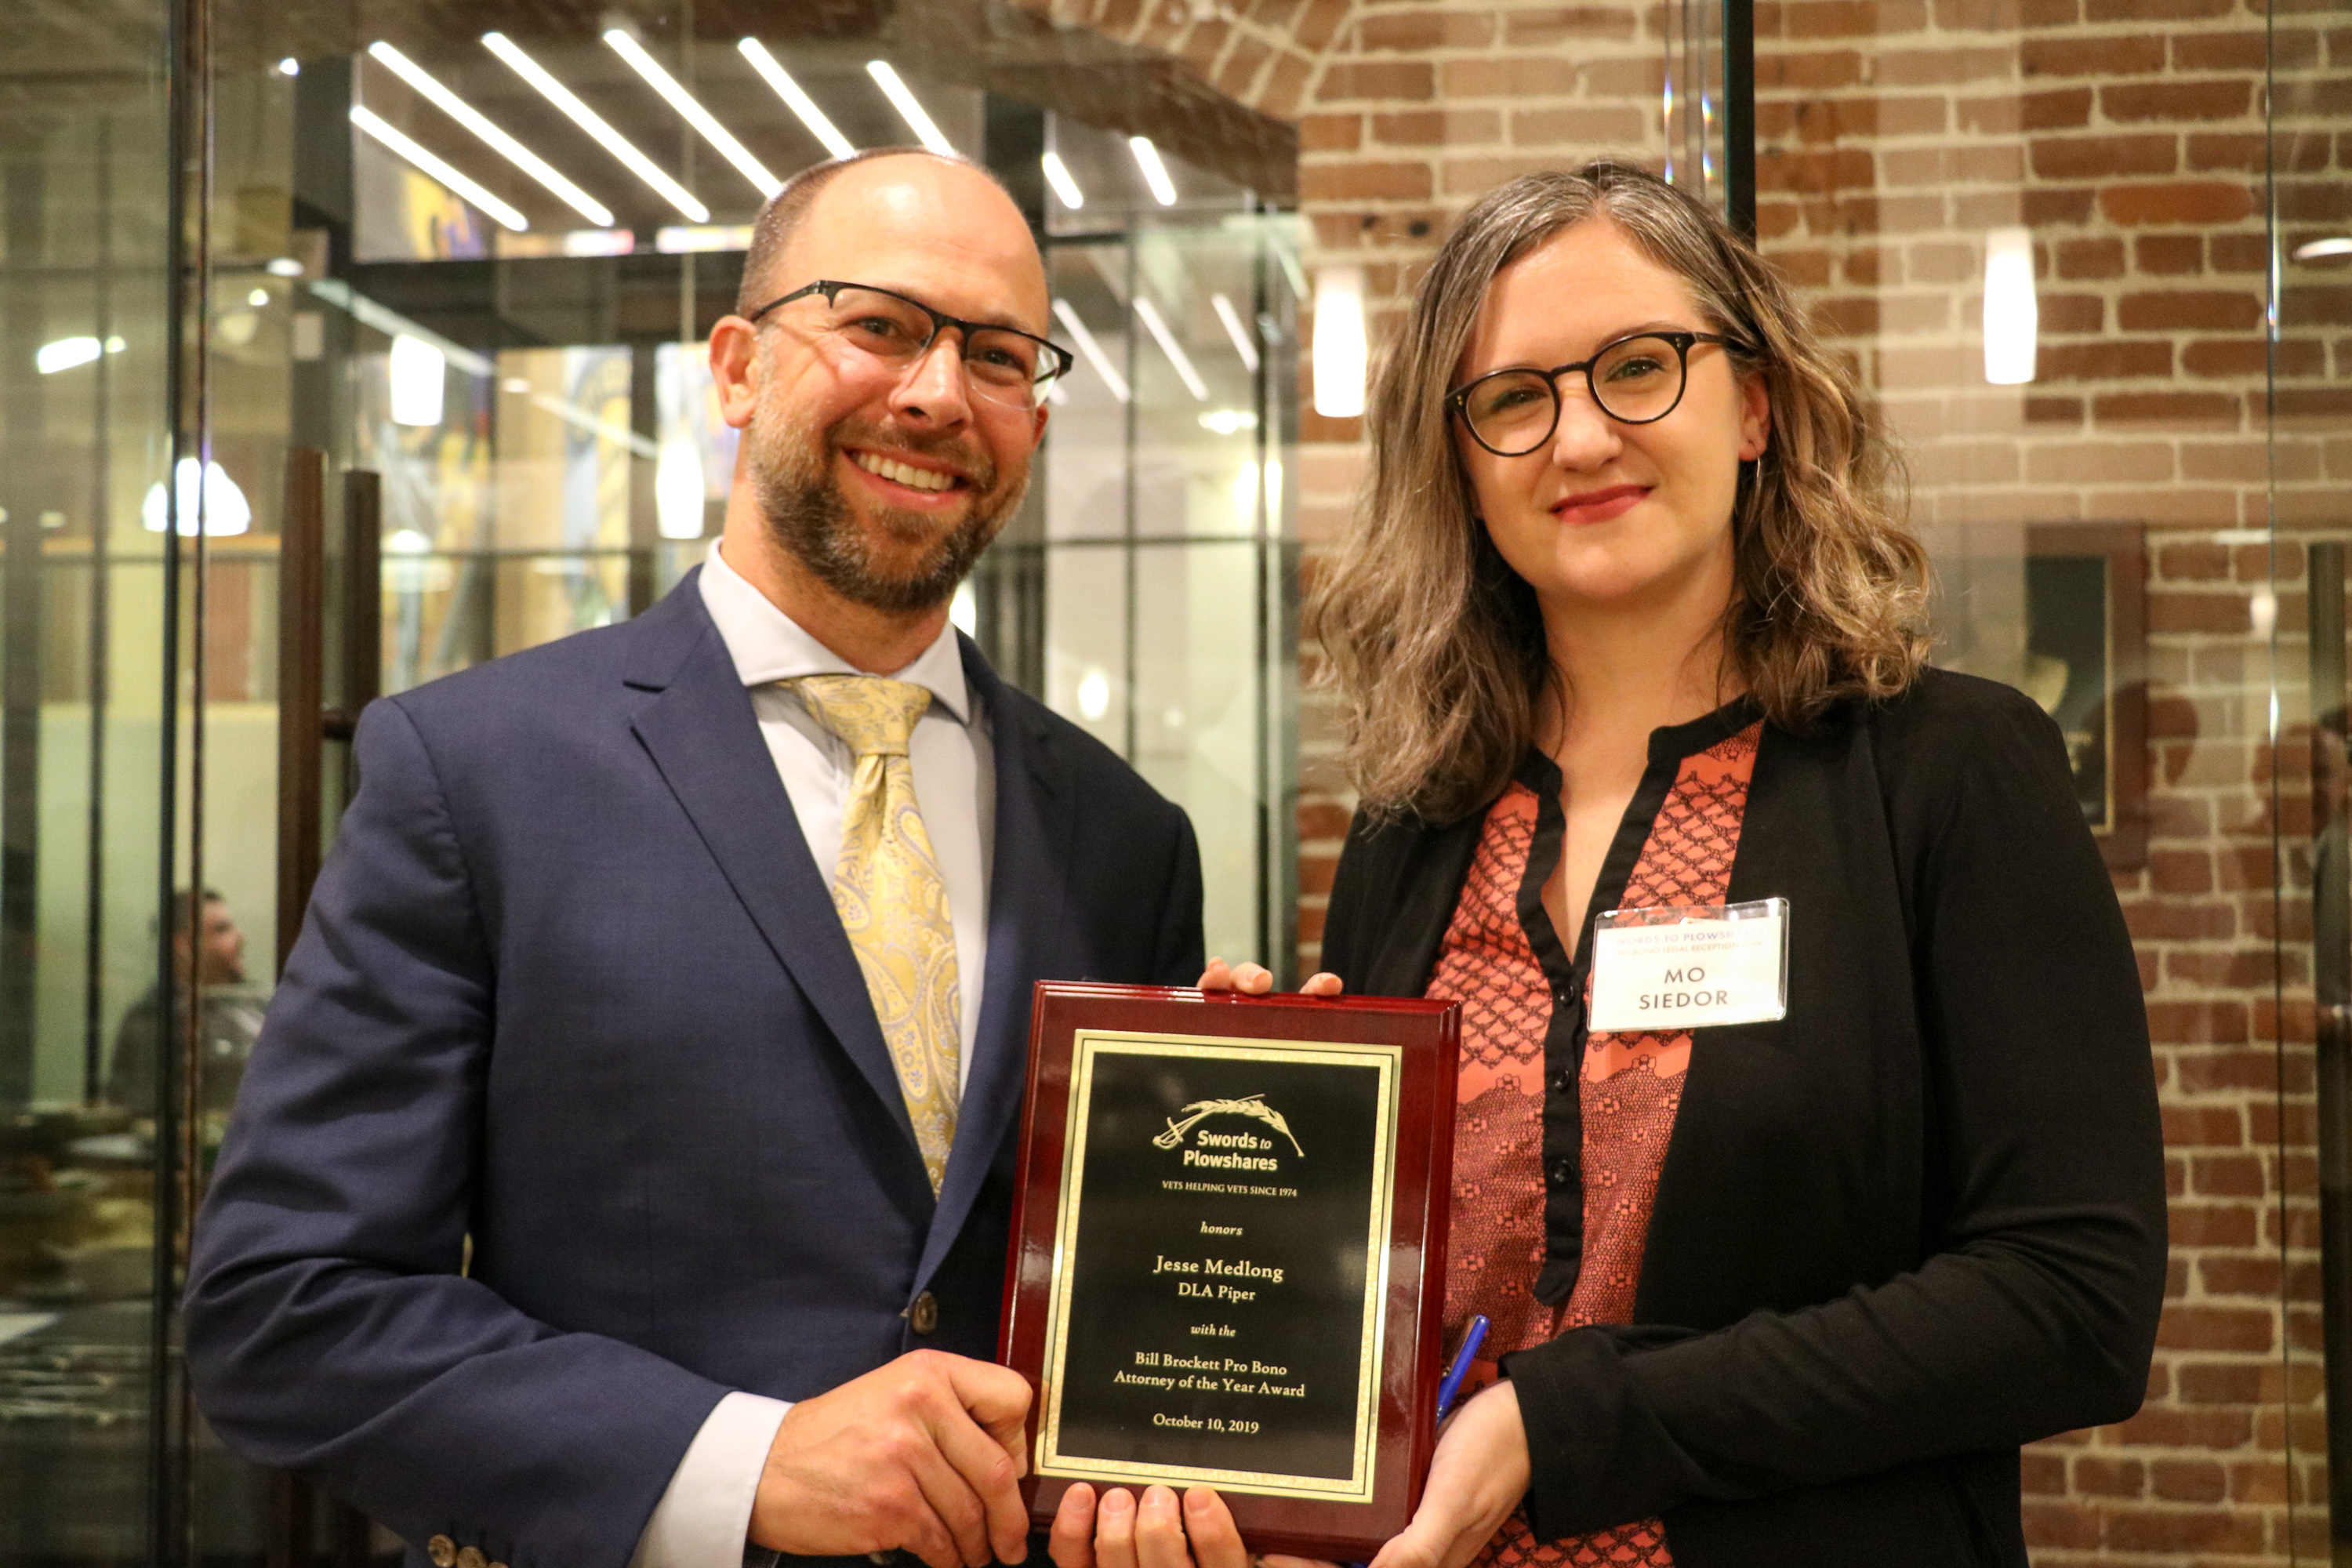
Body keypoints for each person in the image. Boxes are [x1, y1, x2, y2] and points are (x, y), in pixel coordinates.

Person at [1051, 162, 2165, 1568]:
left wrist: (1563, 1428)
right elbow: (1392, 1322)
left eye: (1639, 367)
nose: (1579, 439)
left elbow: (2072, 1303)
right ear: (1458, 464)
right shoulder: (1415, 827)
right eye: (1514, 398)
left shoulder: (1949, 774)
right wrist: (1244, 1159)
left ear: (1756, 405)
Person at [185, 147, 1206, 1568]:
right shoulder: (476, 773)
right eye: (881, 324)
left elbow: (1140, 1317)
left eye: (998, 354)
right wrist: (746, 1461)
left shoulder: (1127, 839)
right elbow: (285, 1310)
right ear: (735, 368)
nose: (936, 393)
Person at [107, 887, 266, 1116]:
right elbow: (143, 1109)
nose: (241, 937)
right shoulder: (155, 1019)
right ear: (184, 945)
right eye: (222, 930)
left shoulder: (252, 1004)